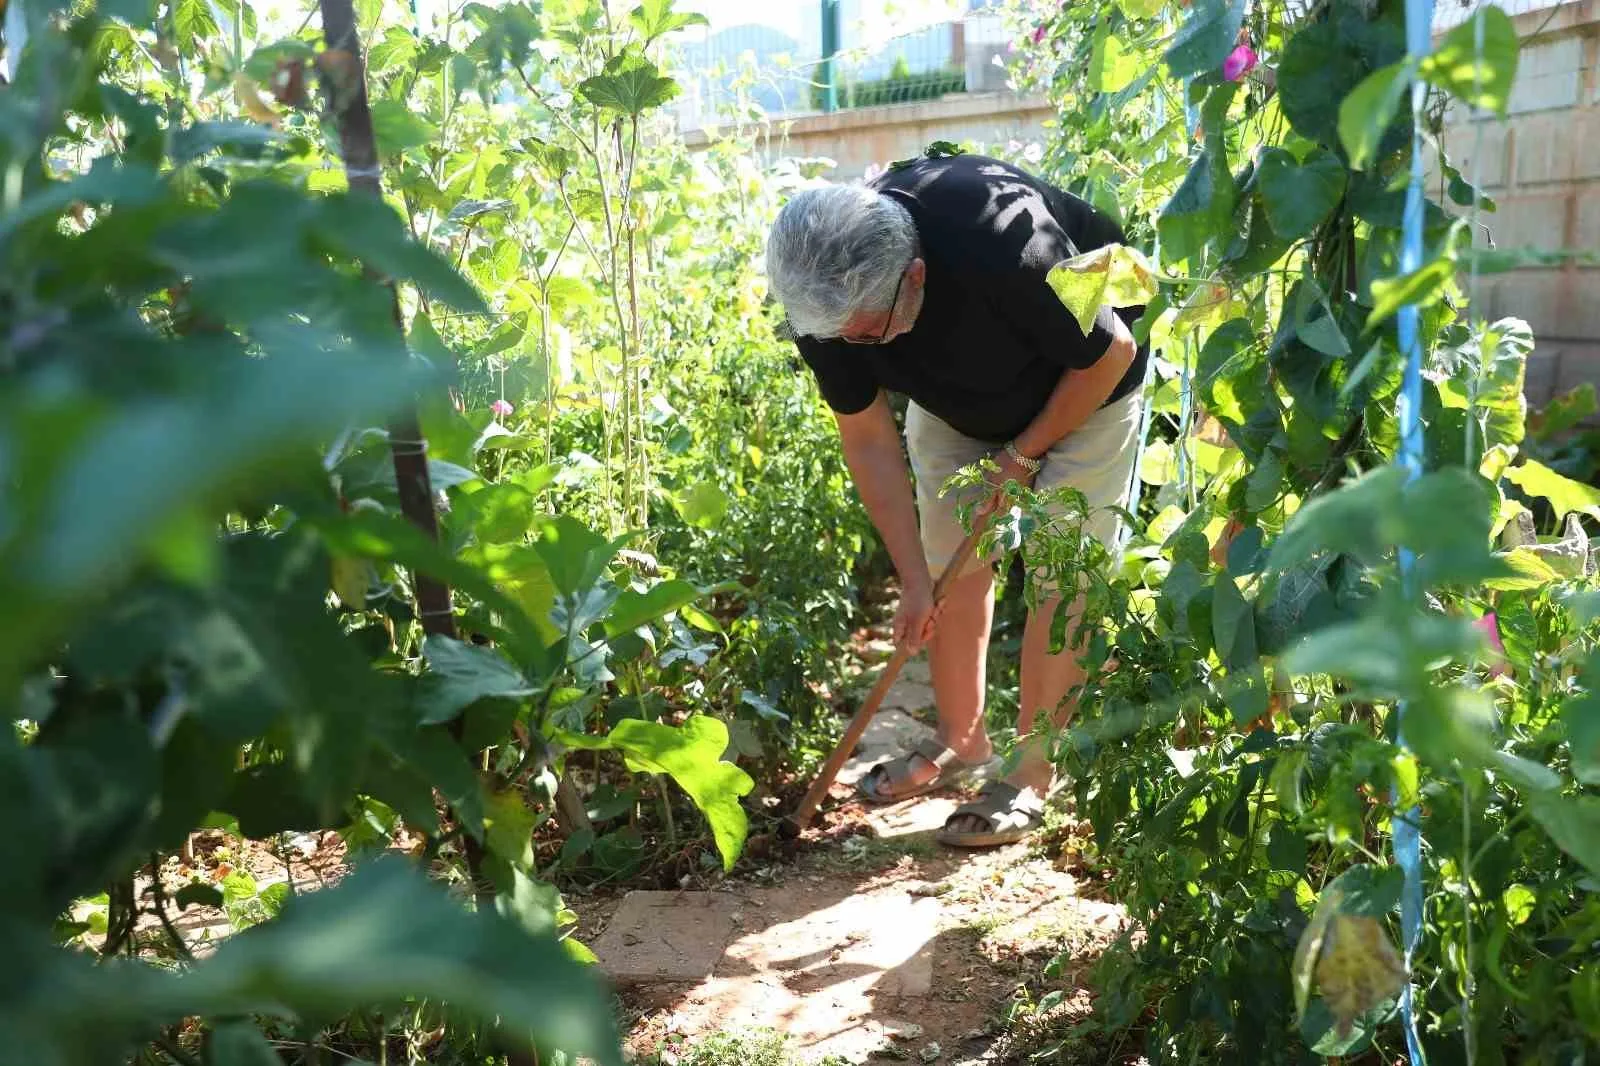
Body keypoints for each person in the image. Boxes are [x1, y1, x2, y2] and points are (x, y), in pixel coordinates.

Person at [765, 151, 1147, 847]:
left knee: (1065, 570)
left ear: (914, 277)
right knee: (950, 565)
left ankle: (1031, 775)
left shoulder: (1001, 234)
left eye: (867, 333)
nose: (852, 346)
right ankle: (960, 742)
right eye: (840, 336)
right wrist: (913, 580)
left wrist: (1021, 457)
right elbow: (869, 438)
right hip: (960, 402)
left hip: (1089, 381)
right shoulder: (826, 296)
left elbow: (1111, 350)